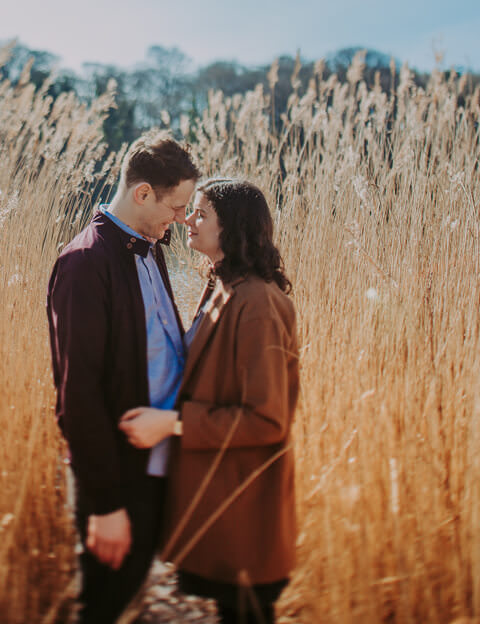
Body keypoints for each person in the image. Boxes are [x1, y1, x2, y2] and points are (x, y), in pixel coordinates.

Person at [119, 178, 299, 624]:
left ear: (233, 227)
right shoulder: (223, 285)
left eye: (202, 214)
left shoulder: (257, 303)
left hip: (246, 509)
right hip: (224, 507)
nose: (189, 221)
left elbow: (267, 420)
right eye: (191, 212)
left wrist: (172, 424)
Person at [46, 132, 200, 624]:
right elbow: (78, 394)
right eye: (176, 206)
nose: (183, 218)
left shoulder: (150, 249)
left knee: (126, 594)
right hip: (116, 477)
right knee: (103, 606)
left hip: (153, 465)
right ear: (143, 193)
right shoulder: (85, 263)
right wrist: (106, 506)